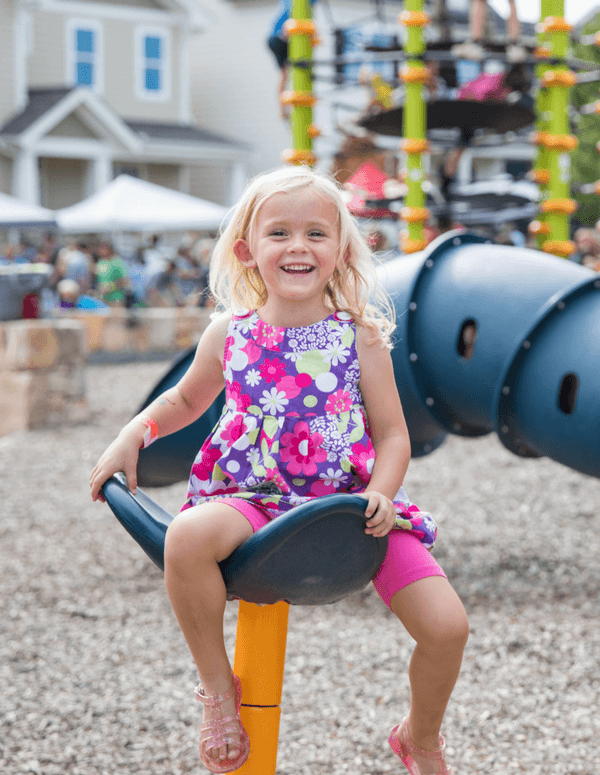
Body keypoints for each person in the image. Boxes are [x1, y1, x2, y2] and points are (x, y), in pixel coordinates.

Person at [89, 166, 468, 775]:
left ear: (342, 249)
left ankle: (419, 736)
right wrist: (134, 434)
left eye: (317, 233)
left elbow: (394, 434)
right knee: (185, 538)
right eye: (280, 233)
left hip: (346, 506)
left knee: (448, 628)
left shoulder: (359, 337)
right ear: (248, 251)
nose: (298, 246)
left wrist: (381, 493)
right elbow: (184, 401)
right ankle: (219, 691)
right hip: (249, 496)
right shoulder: (230, 334)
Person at [267, 0, 318, 119]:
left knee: (285, 74)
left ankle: (282, 110)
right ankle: (283, 110)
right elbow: (303, 20)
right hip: (281, 38)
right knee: (288, 72)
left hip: (275, 37)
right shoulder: (301, 3)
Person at [95, 241, 129, 306]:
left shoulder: (118, 262)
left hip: (116, 299)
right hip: (103, 299)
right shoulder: (101, 262)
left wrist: (110, 287)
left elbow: (125, 281)